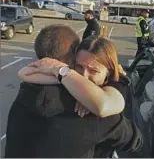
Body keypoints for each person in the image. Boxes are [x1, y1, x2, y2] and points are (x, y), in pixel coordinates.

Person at [5, 25, 142, 158]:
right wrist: (116, 82)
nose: (83, 77)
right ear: (72, 58)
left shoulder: (25, 93)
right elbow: (134, 141)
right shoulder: (93, 114)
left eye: (93, 71)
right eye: (79, 67)